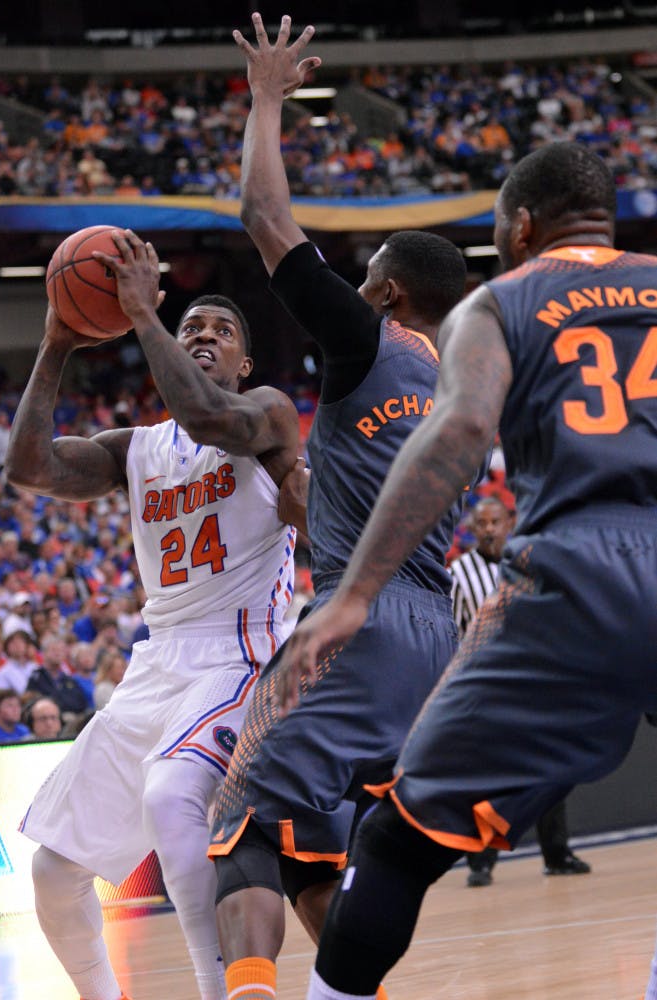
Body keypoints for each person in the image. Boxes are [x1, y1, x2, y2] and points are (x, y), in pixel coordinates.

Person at [275, 139, 657, 1000]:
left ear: (522, 225)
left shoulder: (503, 300)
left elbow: (452, 436)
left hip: (579, 570)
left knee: (393, 841)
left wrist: (357, 591)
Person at [207, 15, 468, 1000]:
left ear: (388, 291)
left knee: (234, 819)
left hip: (354, 621)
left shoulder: (369, 341)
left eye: (363, 283)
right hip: (429, 636)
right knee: (324, 842)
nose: (351, 292)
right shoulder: (467, 389)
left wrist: (267, 98)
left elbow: (262, 217)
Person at [5, 247, 300, 1000]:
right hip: (158, 661)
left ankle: (219, 991)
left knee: (172, 797)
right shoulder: (133, 450)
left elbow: (204, 415)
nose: (202, 332)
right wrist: (55, 342)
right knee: (52, 869)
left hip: (241, 655)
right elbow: (28, 467)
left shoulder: (262, 411)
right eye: (190, 323)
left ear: (244, 362)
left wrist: (143, 310)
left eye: (219, 330)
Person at [452, 497, 590, 886]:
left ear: (510, 521)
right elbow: (452, 632)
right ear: (472, 528)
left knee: (549, 768)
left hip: (535, 682)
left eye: (496, 521)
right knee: (489, 777)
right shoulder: (459, 574)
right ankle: (481, 860)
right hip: (485, 687)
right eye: (482, 524)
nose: (490, 529)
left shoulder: (531, 562)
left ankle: (557, 853)